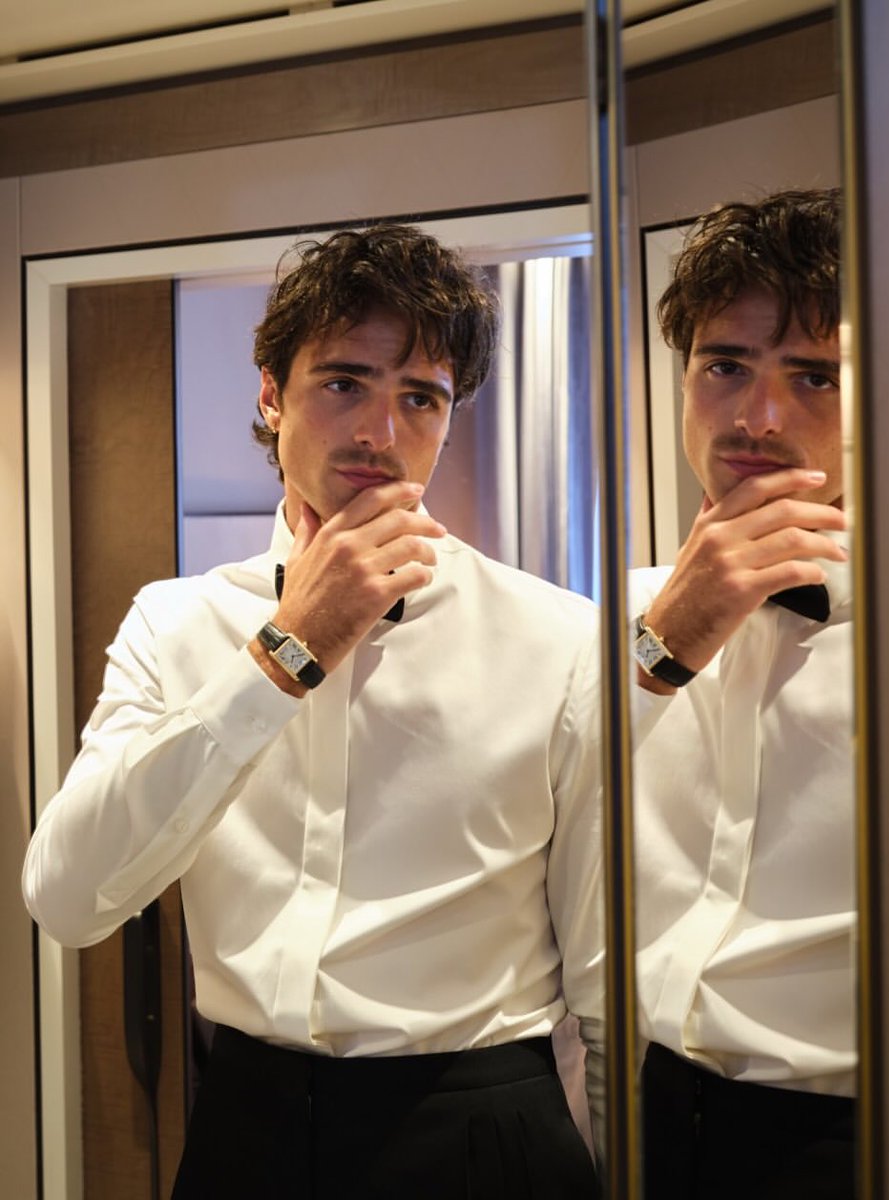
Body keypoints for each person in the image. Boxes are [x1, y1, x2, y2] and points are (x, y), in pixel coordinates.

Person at [23, 224, 604, 1199]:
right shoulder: (174, 622)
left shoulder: (558, 638)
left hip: (485, 1131)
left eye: (419, 397)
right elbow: (68, 897)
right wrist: (282, 658)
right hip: (244, 1128)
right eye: (343, 382)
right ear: (270, 392)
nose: (381, 432)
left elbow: (601, 977)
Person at [629, 189, 856, 1198]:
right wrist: (659, 650)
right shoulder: (613, 624)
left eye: (814, 376)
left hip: (855, 1134)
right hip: (652, 1114)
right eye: (724, 366)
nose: (758, 419)